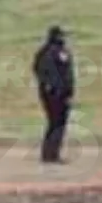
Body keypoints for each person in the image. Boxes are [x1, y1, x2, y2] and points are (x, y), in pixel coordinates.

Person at [32, 26, 74, 164]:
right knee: (58, 123)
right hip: (59, 94)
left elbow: (36, 69)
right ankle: (52, 154)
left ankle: (47, 152)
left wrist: (46, 85)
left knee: (52, 122)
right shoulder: (60, 53)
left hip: (46, 92)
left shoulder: (42, 52)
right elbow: (66, 75)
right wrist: (65, 90)